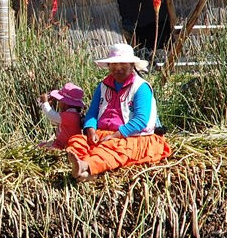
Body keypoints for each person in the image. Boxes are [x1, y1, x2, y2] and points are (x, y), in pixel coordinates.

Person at [65, 44, 170, 181]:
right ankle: (88, 172)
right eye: (114, 64)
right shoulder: (103, 86)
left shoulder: (141, 87)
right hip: (103, 134)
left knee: (113, 148)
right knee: (77, 140)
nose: (117, 68)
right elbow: (92, 113)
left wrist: (116, 135)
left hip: (132, 135)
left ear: (132, 65)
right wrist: (90, 129)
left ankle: (85, 165)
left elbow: (141, 120)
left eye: (122, 64)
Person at [38, 82, 85, 150]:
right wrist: (50, 105)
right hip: (60, 143)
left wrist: (45, 102)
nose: (58, 102)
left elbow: (51, 115)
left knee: (44, 148)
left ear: (65, 103)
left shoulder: (71, 116)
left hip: (65, 145)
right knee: (41, 145)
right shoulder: (71, 114)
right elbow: (54, 121)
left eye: (59, 101)